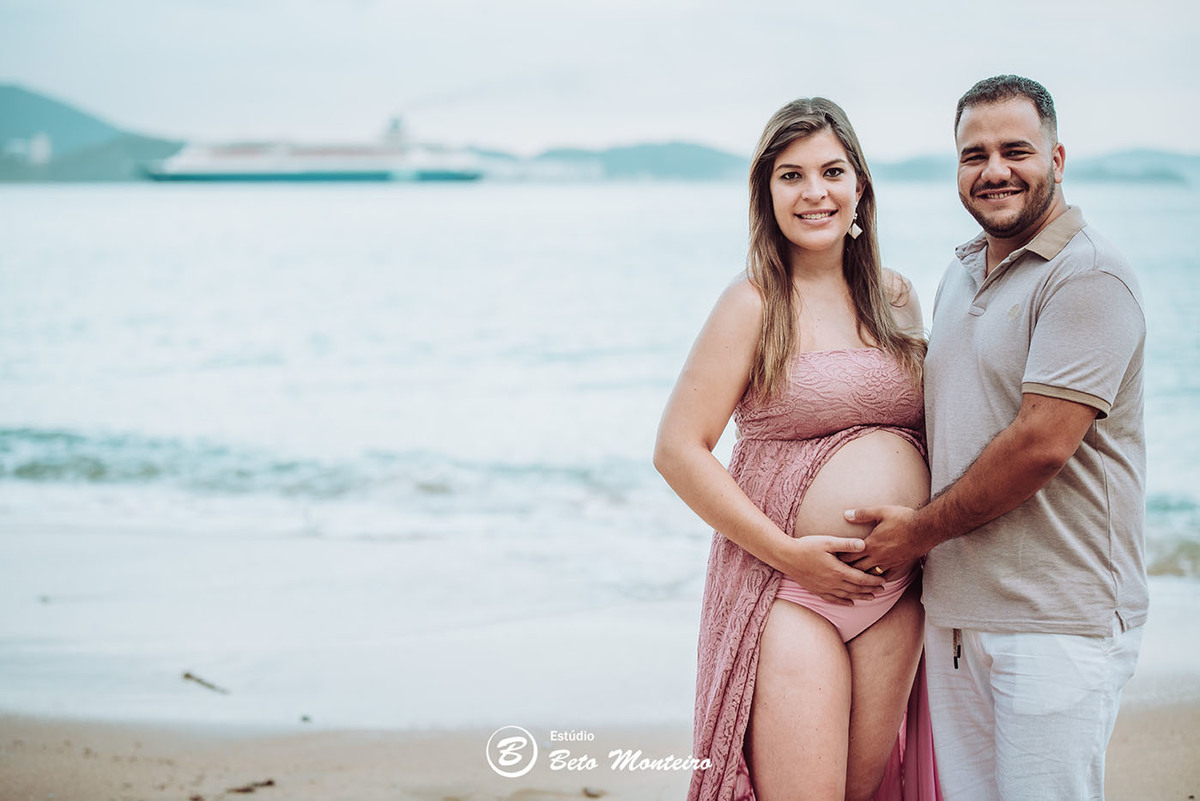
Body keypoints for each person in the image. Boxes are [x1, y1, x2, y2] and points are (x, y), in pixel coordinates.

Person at [846, 75, 1147, 800]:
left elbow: (1040, 444)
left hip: (1054, 621)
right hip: (955, 615)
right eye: (973, 154)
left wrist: (915, 532)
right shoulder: (960, 273)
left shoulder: (1088, 276)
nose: (994, 170)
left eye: (1016, 150)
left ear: (1059, 157)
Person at [655, 98, 940, 801]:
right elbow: (678, 449)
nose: (815, 192)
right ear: (767, 194)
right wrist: (786, 552)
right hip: (792, 592)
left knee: (864, 792)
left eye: (832, 171)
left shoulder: (896, 298)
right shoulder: (753, 302)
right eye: (791, 175)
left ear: (861, 188)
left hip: (894, 594)